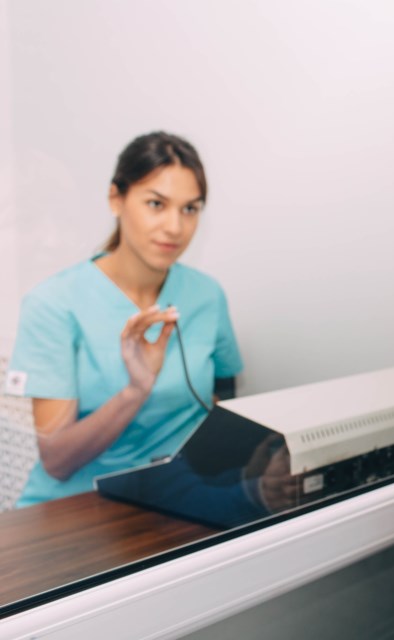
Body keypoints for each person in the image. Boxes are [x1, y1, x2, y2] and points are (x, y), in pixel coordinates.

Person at [5, 132, 244, 507]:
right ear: (116, 199)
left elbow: (226, 394)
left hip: (175, 500)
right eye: (155, 204)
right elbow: (57, 462)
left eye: (190, 209)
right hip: (74, 510)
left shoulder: (206, 295)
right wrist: (136, 391)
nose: (175, 227)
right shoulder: (53, 304)